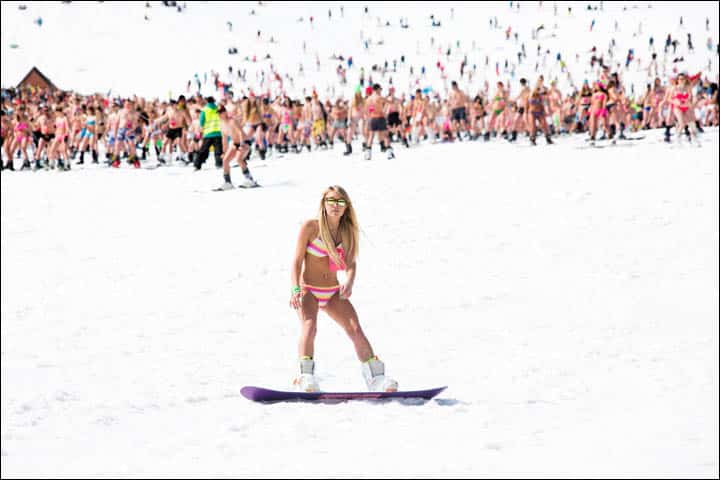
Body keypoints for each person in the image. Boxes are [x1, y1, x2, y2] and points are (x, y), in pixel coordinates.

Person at [289, 186, 399, 393]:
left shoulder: (347, 231)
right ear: (323, 203)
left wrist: (349, 281)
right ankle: (305, 376)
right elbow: (296, 261)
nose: (336, 206)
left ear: (347, 207)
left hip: (332, 292)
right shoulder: (310, 227)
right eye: (331, 201)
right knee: (310, 326)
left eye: (341, 202)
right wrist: (295, 289)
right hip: (308, 290)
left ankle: (376, 378)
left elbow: (350, 263)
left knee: (355, 329)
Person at [193, 96, 223, 170]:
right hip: (218, 132)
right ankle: (219, 164)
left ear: (207, 102)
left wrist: (200, 131)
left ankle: (197, 165)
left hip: (208, 133)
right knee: (218, 150)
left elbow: (201, 122)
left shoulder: (205, 110)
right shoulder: (218, 109)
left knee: (203, 150)